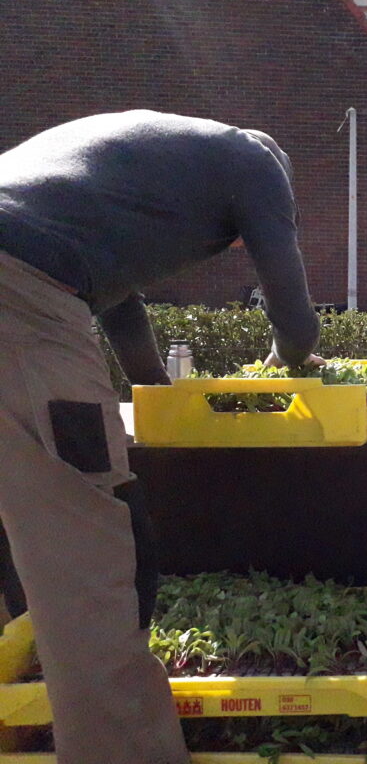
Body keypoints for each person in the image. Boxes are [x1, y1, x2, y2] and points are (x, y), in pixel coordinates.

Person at [0, 110, 320, 764]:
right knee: (92, 559)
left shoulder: (135, 170)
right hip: (20, 298)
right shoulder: (256, 165)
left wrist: (157, 393)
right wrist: (296, 366)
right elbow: (295, 315)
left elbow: (116, 301)